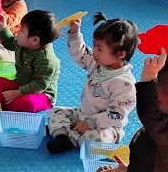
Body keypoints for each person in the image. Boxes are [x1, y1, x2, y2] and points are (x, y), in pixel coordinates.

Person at [46, 12, 138, 154]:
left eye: (100, 49)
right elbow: (81, 54)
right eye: (94, 46)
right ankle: (62, 136)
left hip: (106, 126)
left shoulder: (125, 83)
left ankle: (68, 137)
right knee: (56, 111)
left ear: (121, 54)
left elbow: (117, 114)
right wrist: (75, 34)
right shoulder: (97, 63)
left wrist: (92, 123)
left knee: (95, 138)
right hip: (83, 114)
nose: (94, 51)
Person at [0, 9, 60, 118]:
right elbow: (9, 42)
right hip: (21, 84)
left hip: (41, 94)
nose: (17, 32)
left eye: (21, 30)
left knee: (29, 103)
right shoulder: (24, 44)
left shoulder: (47, 60)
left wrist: (17, 93)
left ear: (34, 40)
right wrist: (3, 27)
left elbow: (39, 85)